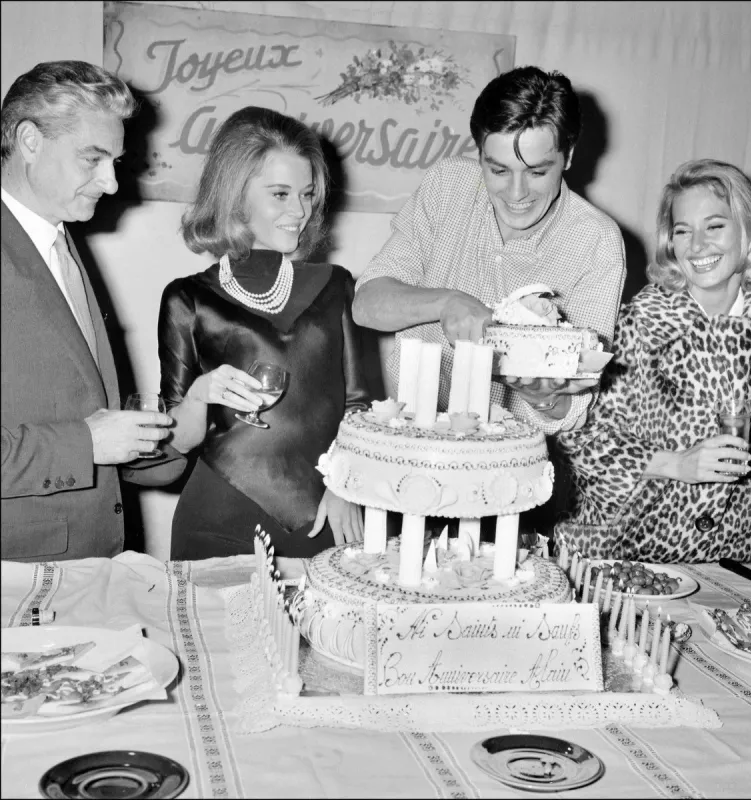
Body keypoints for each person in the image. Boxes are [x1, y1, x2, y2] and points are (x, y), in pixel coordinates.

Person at [352, 65, 626, 436]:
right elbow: (366, 304)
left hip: (507, 457)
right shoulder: (447, 184)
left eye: (537, 172)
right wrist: (446, 302)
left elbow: (569, 411)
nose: (516, 193)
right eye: (498, 171)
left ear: (569, 156)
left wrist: (541, 394)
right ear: (479, 154)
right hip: (409, 438)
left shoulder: (597, 241)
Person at [555, 159, 751, 564]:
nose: (697, 245)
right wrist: (676, 464)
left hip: (734, 566)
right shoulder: (637, 325)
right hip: (626, 558)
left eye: (714, 226)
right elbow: (584, 442)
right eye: (683, 231)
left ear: (750, 230)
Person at [160, 106, 371, 560]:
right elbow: (176, 439)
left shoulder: (336, 286)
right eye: (280, 194)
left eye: (307, 194)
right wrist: (199, 395)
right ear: (235, 196)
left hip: (325, 516)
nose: (299, 210)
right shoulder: (187, 299)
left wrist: (345, 484)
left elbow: (359, 406)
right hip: (217, 518)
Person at [1, 60, 177, 562]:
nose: (111, 183)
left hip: (90, 563)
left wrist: (180, 428)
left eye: (114, 162)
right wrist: (86, 444)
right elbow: (89, 437)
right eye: (92, 159)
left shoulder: (61, 242)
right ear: (30, 141)